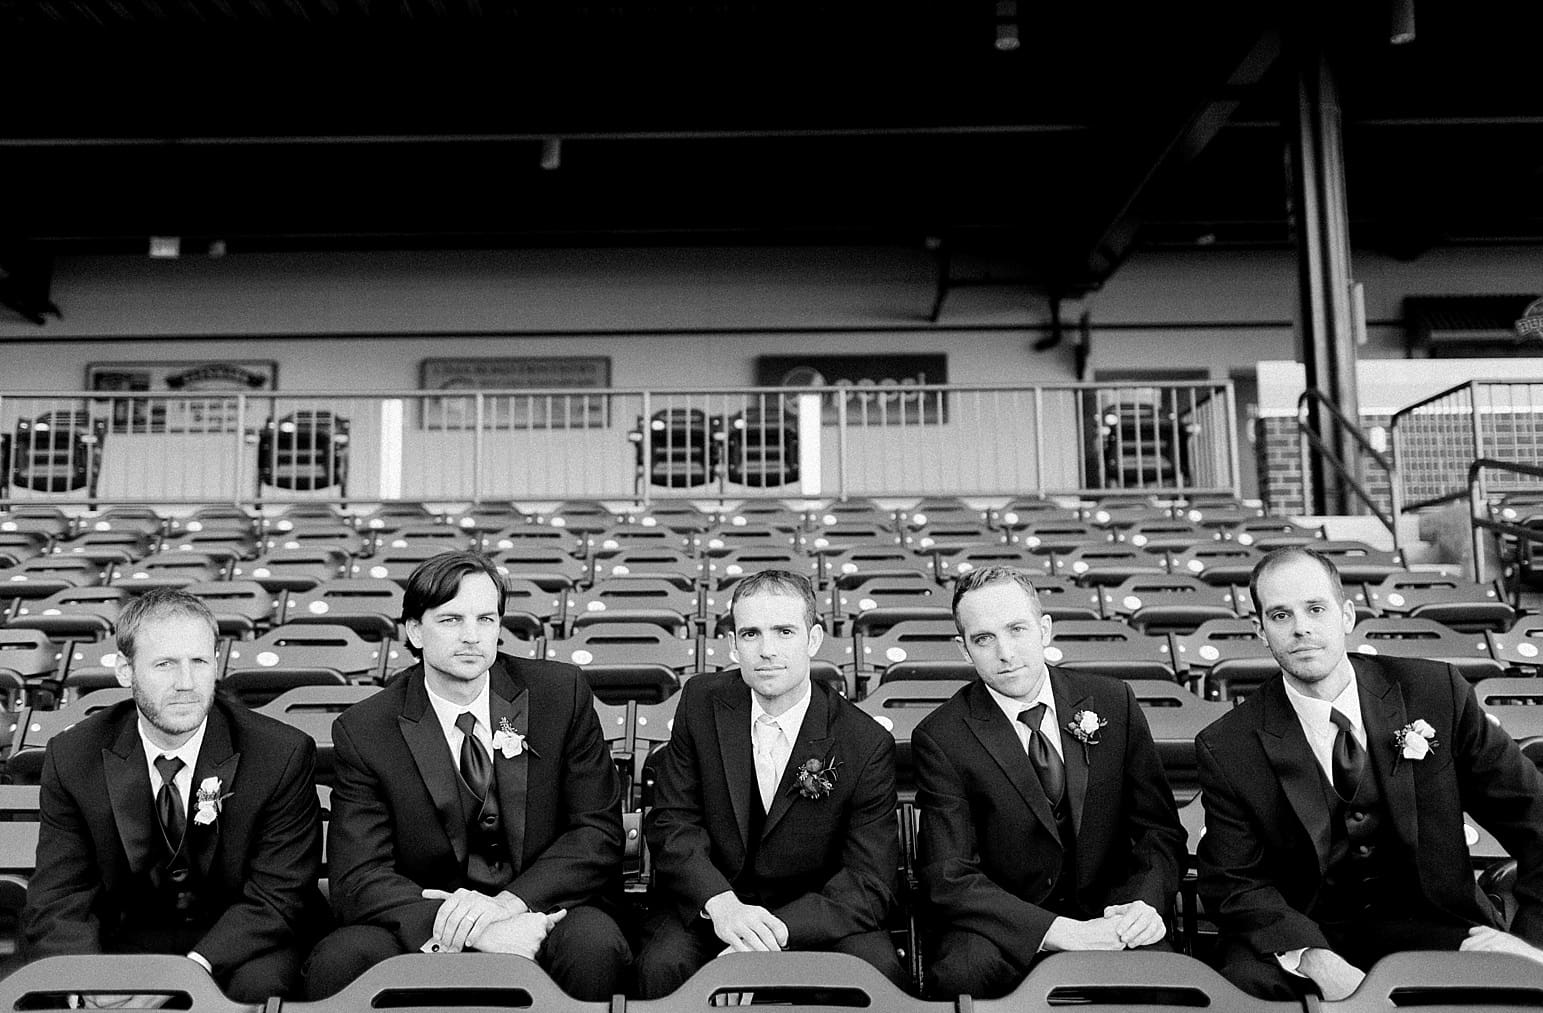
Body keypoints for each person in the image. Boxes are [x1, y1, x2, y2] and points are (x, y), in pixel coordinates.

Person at [1198, 546, 1543, 1000]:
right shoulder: (1229, 744)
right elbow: (1233, 880)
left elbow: (1534, 817)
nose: (1301, 627)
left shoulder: (1436, 694)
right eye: (1280, 616)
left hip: (1439, 928)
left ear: (1346, 615)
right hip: (1308, 936)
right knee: (1245, 987)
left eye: (1315, 609)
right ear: (1260, 631)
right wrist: (1312, 958)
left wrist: (1529, 942)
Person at [304, 551, 630, 1000]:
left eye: (486, 619)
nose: (472, 637)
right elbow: (358, 876)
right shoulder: (366, 730)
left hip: (545, 907)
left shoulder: (561, 694)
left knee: (595, 946)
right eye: (451, 620)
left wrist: (507, 907)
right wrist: (469, 930)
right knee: (340, 960)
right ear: (415, 631)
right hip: (428, 915)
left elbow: (597, 832)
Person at [23, 588, 325, 1003]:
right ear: (125, 671)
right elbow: (59, 892)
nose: (186, 684)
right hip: (126, 939)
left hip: (241, 943)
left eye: (199, 662)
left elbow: (279, 896)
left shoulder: (279, 754)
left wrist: (184, 975)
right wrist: (84, 980)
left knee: (257, 990)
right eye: (165, 664)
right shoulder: (73, 756)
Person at [913, 566, 1186, 998]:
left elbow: (1158, 830)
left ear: (1045, 629)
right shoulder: (942, 737)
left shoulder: (1115, 701)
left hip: (1112, 915)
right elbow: (950, 874)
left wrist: (1145, 904)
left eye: (1017, 629)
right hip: (1005, 931)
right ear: (964, 649)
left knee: (1174, 982)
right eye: (984, 639)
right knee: (961, 974)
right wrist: (1058, 932)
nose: (1005, 652)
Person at [636, 569, 904, 997]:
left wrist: (770, 935)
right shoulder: (701, 702)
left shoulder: (864, 742)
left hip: (815, 916)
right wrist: (721, 906)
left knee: (877, 972)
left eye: (784, 631)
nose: (767, 651)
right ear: (733, 644)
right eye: (751, 634)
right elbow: (672, 823)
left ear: (813, 639)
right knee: (662, 965)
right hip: (715, 904)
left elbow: (868, 882)